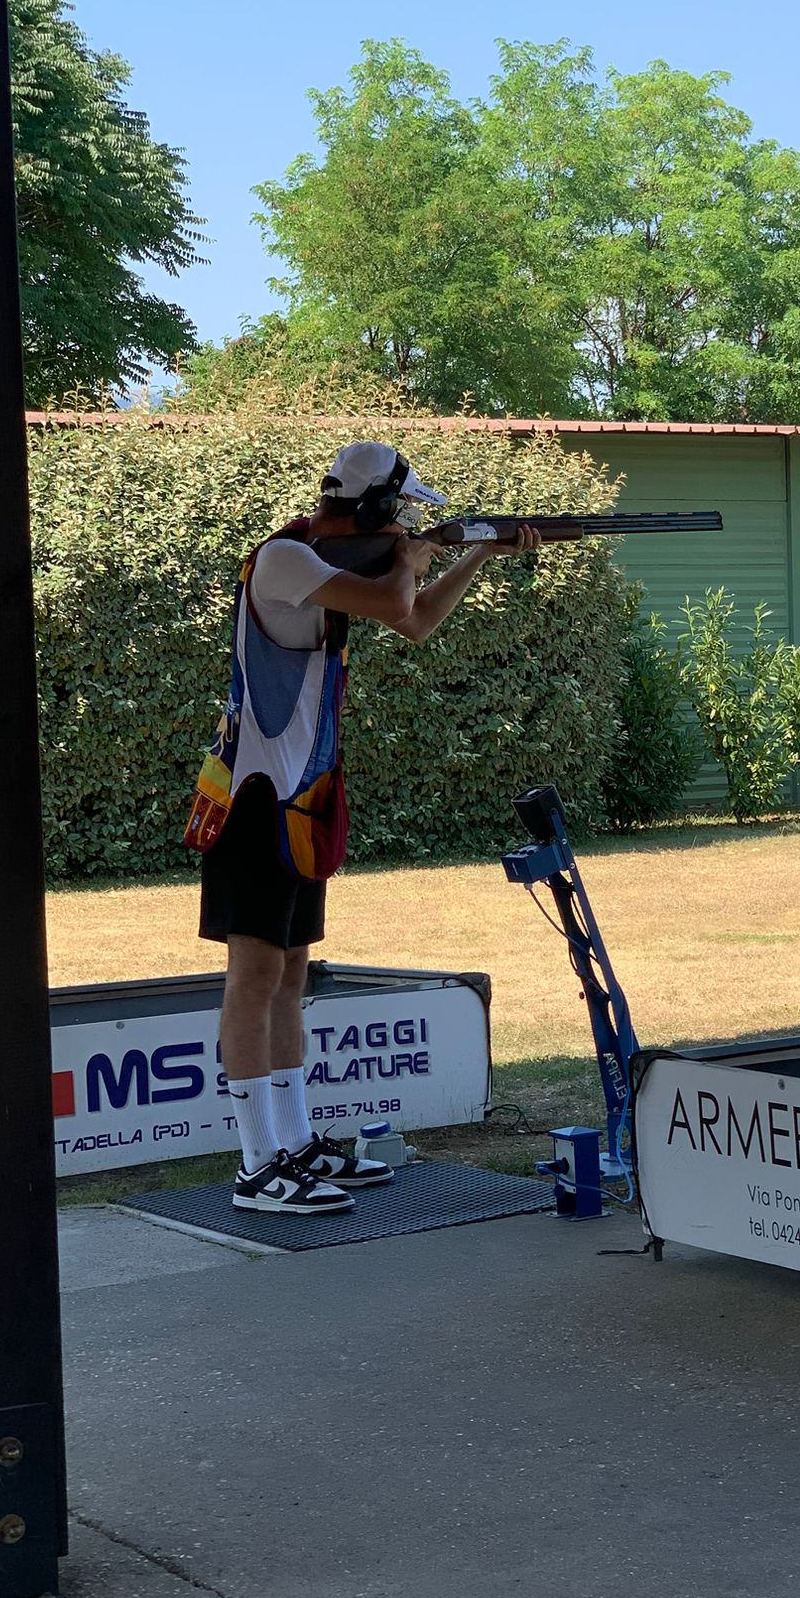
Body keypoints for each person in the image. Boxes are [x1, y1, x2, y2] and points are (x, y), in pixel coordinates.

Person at [184, 441, 539, 1215]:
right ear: (374, 510)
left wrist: (477, 553)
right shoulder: (285, 558)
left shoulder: (324, 563)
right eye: (400, 513)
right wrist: (411, 558)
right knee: (254, 978)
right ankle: (257, 1166)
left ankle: (294, 1142)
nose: (407, 526)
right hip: (253, 796)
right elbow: (393, 600)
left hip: (297, 795)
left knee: (289, 974)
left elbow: (416, 620)